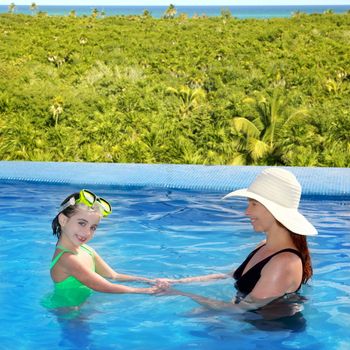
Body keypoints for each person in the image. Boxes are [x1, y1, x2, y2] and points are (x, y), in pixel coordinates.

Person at [158, 168, 318, 315]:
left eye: (254, 204)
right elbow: (231, 276)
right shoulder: (264, 246)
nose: (247, 212)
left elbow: (240, 309)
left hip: (267, 336)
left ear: (274, 211)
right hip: (248, 323)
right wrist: (177, 282)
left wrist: (180, 293)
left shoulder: (284, 262)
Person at [42, 189, 165, 309]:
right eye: (82, 223)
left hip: (83, 305)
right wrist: (146, 291)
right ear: (63, 220)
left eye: (93, 227)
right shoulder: (67, 259)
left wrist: (149, 281)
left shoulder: (87, 250)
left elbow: (114, 276)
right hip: (68, 312)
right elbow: (106, 287)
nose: (87, 232)